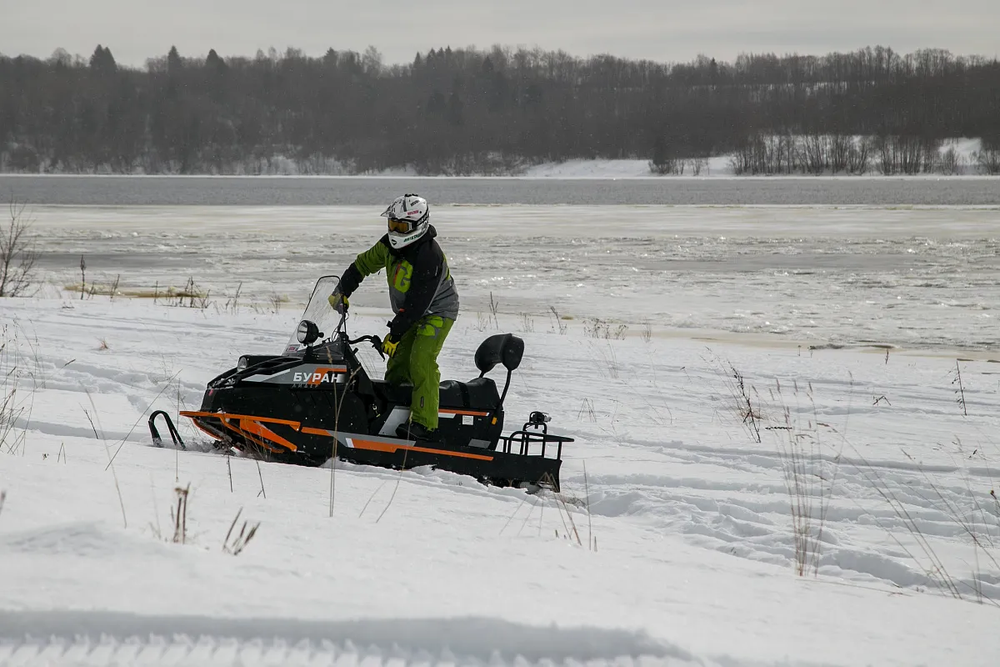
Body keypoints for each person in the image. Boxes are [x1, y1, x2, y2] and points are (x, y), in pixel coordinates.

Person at [328, 194, 459, 441]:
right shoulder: (388, 246)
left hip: (437, 313)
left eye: (401, 227)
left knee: (421, 359)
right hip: (409, 312)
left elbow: (418, 304)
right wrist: (342, 290)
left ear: (418, 225)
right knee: (398, 363)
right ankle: (394, 413)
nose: (395, 231)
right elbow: (362, 264)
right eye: (392, 225)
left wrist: (396, 334)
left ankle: (425, 424)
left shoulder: (428, 256)